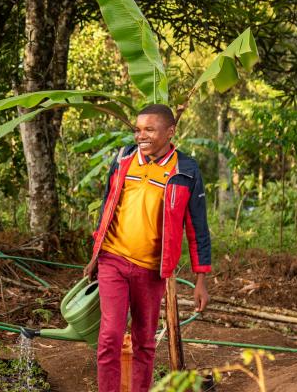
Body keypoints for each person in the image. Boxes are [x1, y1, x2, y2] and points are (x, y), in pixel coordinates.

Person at [83, 104, 211, 392]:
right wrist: (95, 256)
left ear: (170, 131)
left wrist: (201, 279)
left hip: (151, 270)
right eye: (138, 129)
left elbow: (197, 228)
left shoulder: (185, 171)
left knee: (144, 342)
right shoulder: (124, 158)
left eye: (149, 129)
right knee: (109, 338)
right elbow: (107, 206)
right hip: (113, 260)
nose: (141, 135)